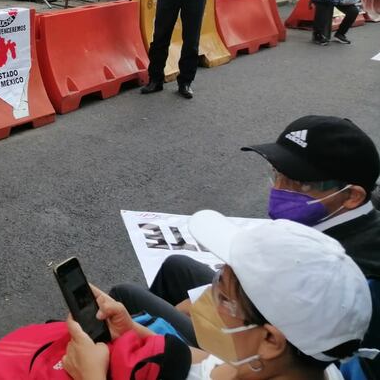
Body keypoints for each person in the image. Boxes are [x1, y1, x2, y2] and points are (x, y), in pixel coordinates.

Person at [110, 116, 380, 361]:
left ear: (353, 196)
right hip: (262, 320)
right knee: (176, 266)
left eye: (300, 184)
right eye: (278, 175)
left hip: (267, 355)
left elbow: (306, 355)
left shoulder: (353, 273)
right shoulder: (356, 219)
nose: (279, 190)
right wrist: (207, 298)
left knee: (127, 296)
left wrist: (212, 306)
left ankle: (132, 355)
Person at [62, 211, 373, 380]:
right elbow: (209, 365)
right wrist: (135, 332)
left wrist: (90, 375)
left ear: (270, 340)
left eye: (223, 295)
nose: (208, 300)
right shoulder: (297, 366)